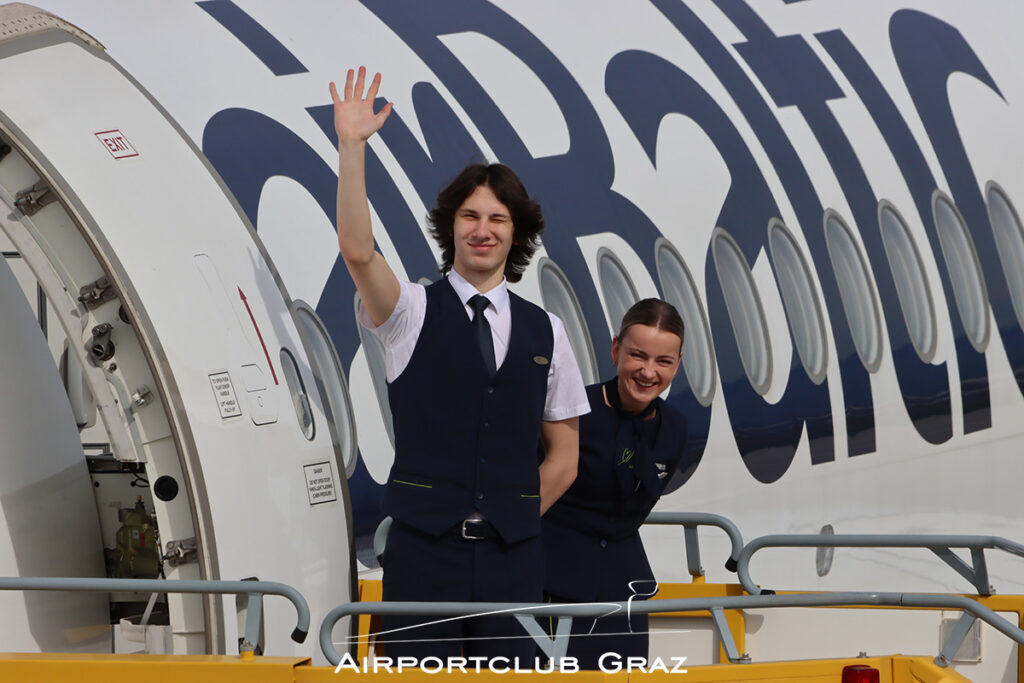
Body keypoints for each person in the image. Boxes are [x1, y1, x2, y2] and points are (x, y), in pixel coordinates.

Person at [330, 67, 589, 664]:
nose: (483, 230)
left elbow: (566, 458)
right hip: (425, 561)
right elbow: (357, 252)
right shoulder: (410, 312)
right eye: (470, 216)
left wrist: (509, 520)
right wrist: (351, 148)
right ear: (451, 225)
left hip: (512, 561)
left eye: (498, 219)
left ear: (516, 233)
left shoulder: (545, 330)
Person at [542, 298, 688, 669]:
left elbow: (634, 512)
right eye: (638, 356)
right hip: (549, 587)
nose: (648, 372)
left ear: (678, 365)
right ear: (615, 349)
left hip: (623, 592)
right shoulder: (572, 413)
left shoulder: (674, 429)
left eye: (663, 362)